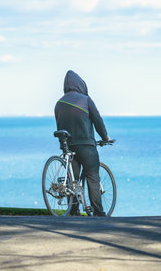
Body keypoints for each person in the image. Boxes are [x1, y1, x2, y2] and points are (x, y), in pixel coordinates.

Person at [54, 70, 110, 216]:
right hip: (86, 145)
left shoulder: (58, 103)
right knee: (93, 177)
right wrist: (105, 137)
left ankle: (73, 211)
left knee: (73, 181)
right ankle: (98, 212)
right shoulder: (85, 100)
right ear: (81, 85)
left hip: (68, 146)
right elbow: (97, 120)